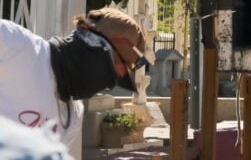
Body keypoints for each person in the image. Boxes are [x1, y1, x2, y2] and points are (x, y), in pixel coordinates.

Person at [0, 8, 146, 149]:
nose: (109, 84)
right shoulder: (14, 44)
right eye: (115, 69)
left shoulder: (73, 116)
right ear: (95, 46)